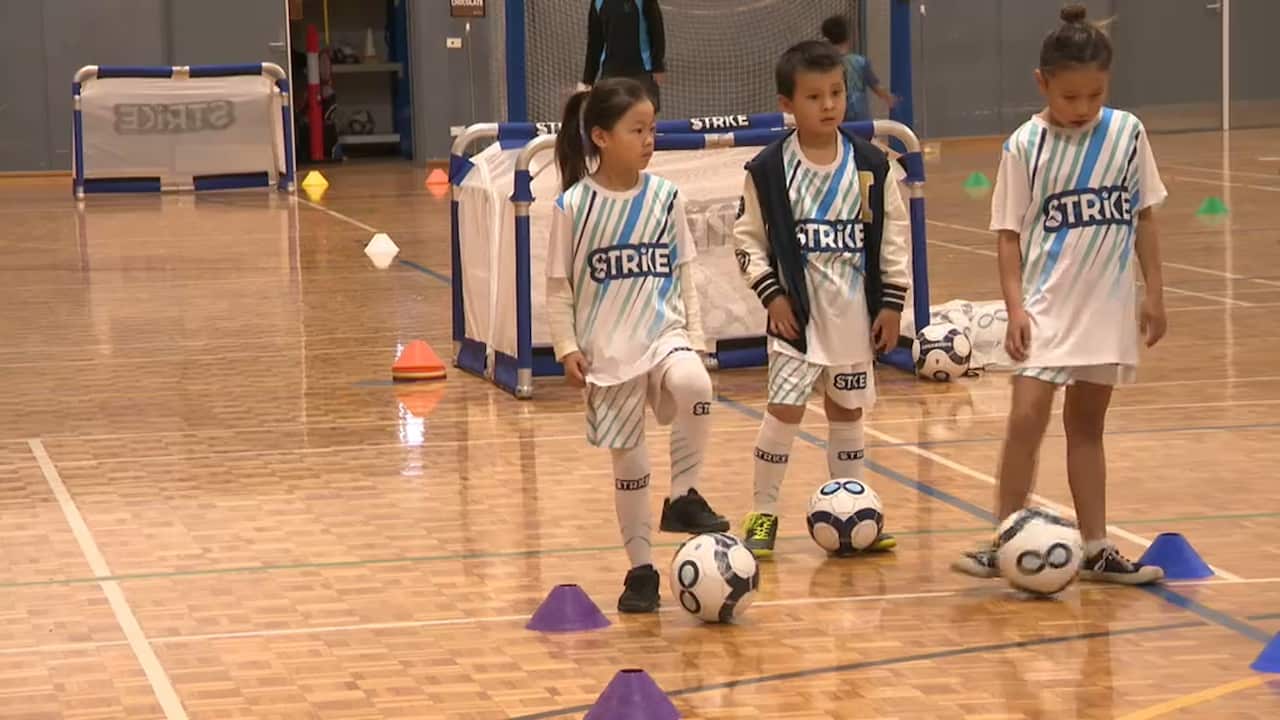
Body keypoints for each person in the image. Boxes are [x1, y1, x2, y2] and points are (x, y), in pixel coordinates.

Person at [951, 4, 1168, 585]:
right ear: (1042, 83)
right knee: (1025, 418)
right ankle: (1003, 539)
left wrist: (1154, 295)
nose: (1084, 109)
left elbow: (1144, 216)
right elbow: (1007, 236)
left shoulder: (1127, 133)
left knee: (1087, 427)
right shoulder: (1025, 145)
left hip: (1107, 307)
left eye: (1095, 95)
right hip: (1046, 308)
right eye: (1071, 97)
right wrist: (1016, 309)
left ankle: (1096, 547)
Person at [546, 77, 729, 613]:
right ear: (601, 137)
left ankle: (683, 497)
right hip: (607, 351)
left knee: (696, 386)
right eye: (638, 130)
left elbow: (686, 273)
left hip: (663, 334)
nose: (650, 139)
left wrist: (694, 339)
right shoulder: (574, 206)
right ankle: (641, 571)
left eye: (653, 129)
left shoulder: (666, 197)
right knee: (629, 464)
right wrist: (565, 347)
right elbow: (559, 288)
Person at [734, 40, 910, 558]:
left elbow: (894, 238)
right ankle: (762, 513)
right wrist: (772, 297)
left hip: (854, 317)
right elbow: (747, 242)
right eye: (814, 96)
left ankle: (854, 511)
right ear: (787, 103)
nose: (829, 104)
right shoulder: (767, 171)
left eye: (836, 93)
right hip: (797, 322)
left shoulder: (871, 166)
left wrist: (892, 304)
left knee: (846, 412)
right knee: (785, 410)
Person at [582, 0, 667, 113]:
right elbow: (595, 42)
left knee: (643, 119)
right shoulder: (598, 2)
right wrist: (588, 80)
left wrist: (658, 66)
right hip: (610, 74)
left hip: (642, 73)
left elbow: (657, 30)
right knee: (611, 119)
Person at [819, 14, 896, 122]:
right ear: (848, 37)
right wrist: (888, 97)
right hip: (859, 114)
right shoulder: (860, 62)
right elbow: (875, 86)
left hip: (835, 113)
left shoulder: (822, 64)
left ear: (826, 40)